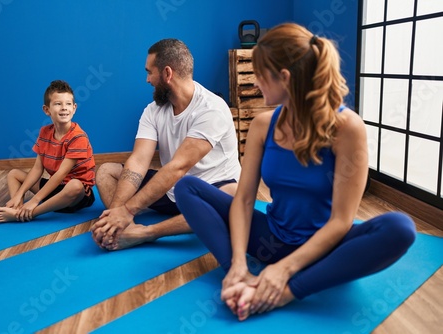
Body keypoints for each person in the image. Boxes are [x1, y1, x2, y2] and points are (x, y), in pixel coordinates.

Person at [174, 23, 416, 321]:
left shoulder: (346, 128)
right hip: (271, 241)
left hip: (326, 251)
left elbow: (341, 221)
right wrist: (237, 263)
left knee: (400, 228)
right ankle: (242, 280)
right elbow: (245, 199)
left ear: (285, 78)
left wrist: (283, 272)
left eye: (260, 76)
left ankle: (287, 292)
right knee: (188, 187)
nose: (255, 84)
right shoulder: (263, 125)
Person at [90, 38, 241, 251]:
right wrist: (116, 216)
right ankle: (124, 231)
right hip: (172, 191)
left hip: (209, 191)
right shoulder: (153, 110)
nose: (147, 80)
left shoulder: (211, 109)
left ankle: (146, 233)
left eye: (149, 72)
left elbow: (178, 167)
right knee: (106, 171)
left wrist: (129, 210)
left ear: (167, 74)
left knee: (234, 197)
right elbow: (139, 160)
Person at [0, 80, 96, 222]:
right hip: (54, 189)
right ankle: (17, 207)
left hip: (75, 196)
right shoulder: (45, 132)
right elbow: (37, 168)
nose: (64, 108)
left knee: (75, 185)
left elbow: (61, 174)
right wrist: (18, 195)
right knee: (14, 174)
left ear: (74, 108)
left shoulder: (78, 136)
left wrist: (35, 200)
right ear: (47, 110)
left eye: (68, 104)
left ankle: (27, 214)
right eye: (58, 104)